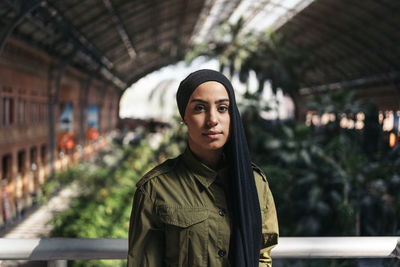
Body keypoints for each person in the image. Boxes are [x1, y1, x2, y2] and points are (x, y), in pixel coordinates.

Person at [127, 69, 278, 267]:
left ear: (232, 116)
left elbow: (262, 257)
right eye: (199, 108)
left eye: (223, 108)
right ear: (184, 117)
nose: (212, 120)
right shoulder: (155, 189)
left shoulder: (255, 184)